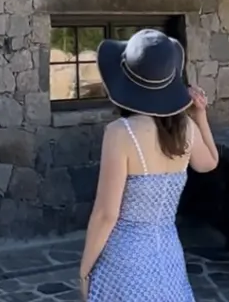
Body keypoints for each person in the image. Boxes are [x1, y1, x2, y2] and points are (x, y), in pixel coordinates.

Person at [77, 28, 221, 301]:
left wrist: (84, 271)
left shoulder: (120, 133)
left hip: (123, 263)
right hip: (167, 254)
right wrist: (200, 115)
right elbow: (209, 163)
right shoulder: (186, 129)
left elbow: (106, 214)